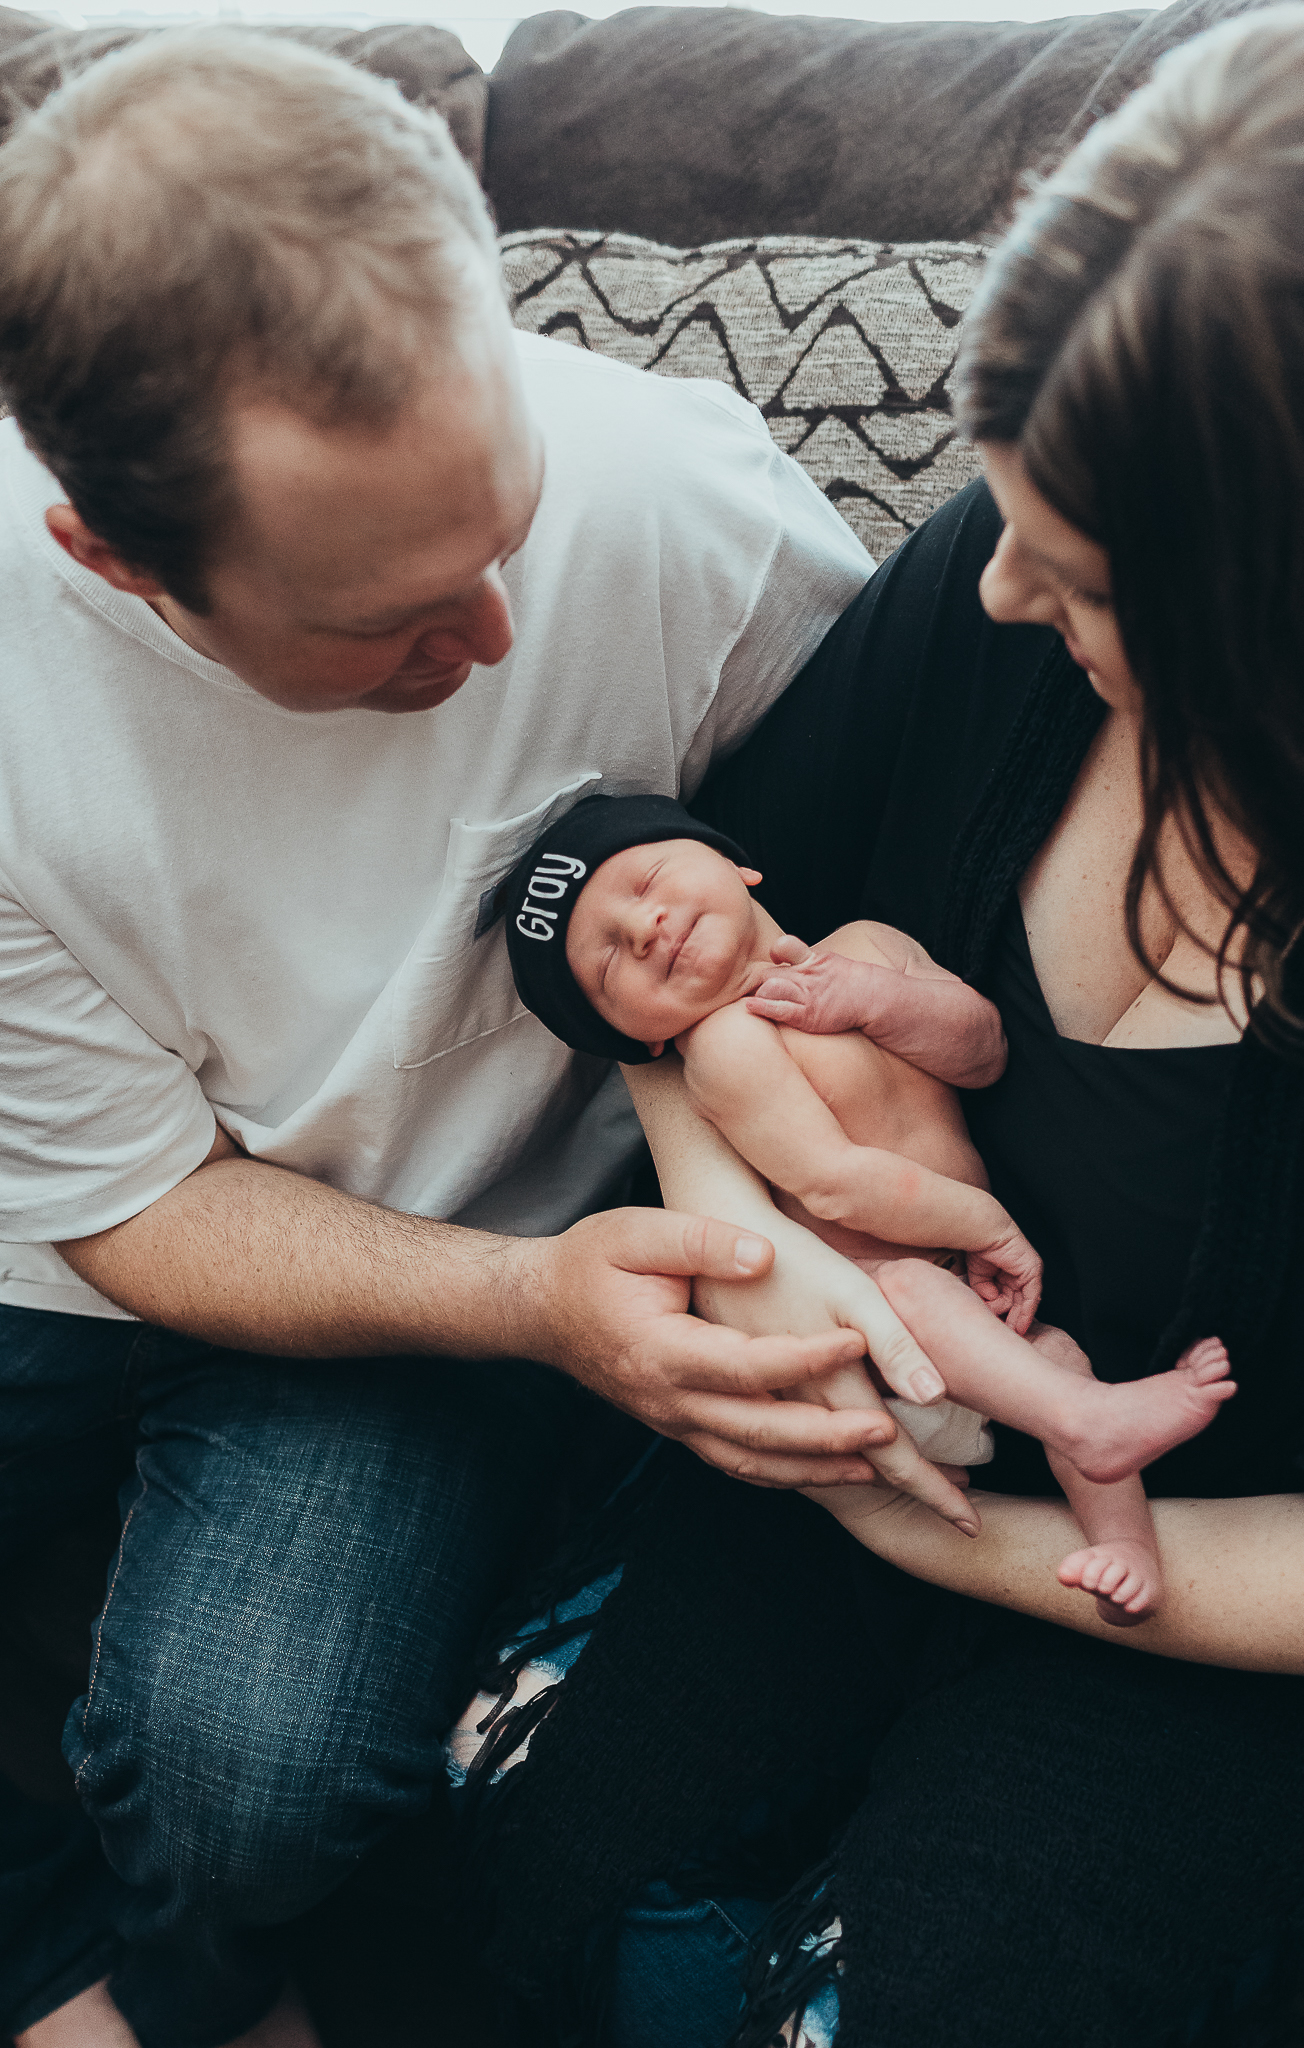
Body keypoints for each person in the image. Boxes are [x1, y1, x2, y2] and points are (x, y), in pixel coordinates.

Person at [0, 27, 976, 2048]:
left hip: (437, 1267)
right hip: (102, 1223)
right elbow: (140, 1213)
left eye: (498, 535)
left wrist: (725, 1042)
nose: (496, 644)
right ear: (112, 551)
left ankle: (180, 1977)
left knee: (256, 1772)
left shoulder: (665, 495)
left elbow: (870, 875)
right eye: (390, 622)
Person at [454, 12, 1304, 2045]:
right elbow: (663, 912)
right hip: (875, 1412)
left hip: (1215, 1596)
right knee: (532, 1829)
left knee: (900, 2000)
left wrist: (920, 1515)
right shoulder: (991, 587)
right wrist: (761, 1239)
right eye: (999, 497)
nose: (1000, 585)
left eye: (1090, 571)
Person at [502, 789, 1237, 1618]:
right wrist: (985, 1225)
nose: (644, 929)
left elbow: (984, 1050)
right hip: (872, 1346)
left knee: (1057, 1357)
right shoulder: (727, 1044)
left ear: (738, 867)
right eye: (606, 964)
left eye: (650, 880)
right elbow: (830, 1182)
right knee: (923, 1298)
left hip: (969, 1312)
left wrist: (875, 999)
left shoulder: (868, 948)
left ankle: (1122, 1546)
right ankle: (1086, 1422)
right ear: (642, 1041)